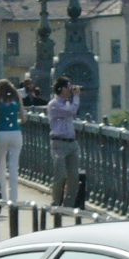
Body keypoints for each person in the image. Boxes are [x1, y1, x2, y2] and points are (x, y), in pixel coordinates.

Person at [0, 78, 24, 204]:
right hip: (15, 133)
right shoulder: (17, 98)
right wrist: (16, 121)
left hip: (1, 134)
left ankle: (3, 197)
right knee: (14, 167)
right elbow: (23, 117)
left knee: (1, 166)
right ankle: (13, 199)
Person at [47, 76, 81, 208]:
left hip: (72, 143)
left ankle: (68, 205)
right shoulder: (53, 104)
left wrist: (74, 97)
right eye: (68, 87)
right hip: (59, 144)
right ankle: (55, 203)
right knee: (60, 175)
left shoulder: (68, 102)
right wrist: (76, 97)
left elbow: (73, 111)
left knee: (74, 177)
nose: (70, 90)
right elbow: (71, 111)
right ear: (60, 89)